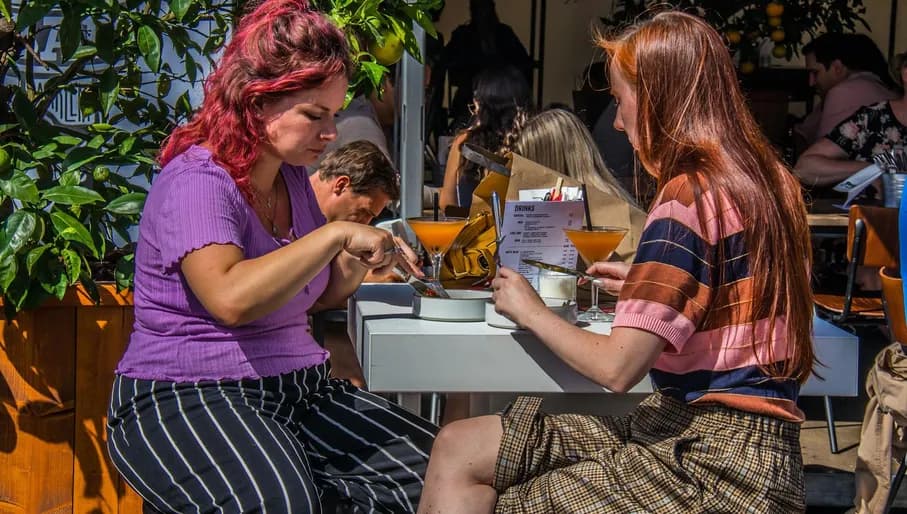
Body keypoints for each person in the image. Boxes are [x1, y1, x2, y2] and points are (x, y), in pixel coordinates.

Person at [418, 11, 815, 513]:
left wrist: (529, 308)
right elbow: (740, 296)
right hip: (745, 447)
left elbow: (617, 368)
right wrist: (647, 286)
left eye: (621, 100)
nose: (619, 122)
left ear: (658, 99)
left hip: (712, 463)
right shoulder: (773, 184)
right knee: (459, 445)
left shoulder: (688, 195)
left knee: (509, 499)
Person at [106, 1, 437, 511]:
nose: (331, 133)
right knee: (281, 503)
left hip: (298, 390)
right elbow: (231, 298)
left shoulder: (292, 181)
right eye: (314, 115)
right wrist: (334, 235)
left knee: (446, 471)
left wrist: (365, 253)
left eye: (334, 115)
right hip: (189, 393)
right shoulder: (199, 179)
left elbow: (316, 293)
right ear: (257, 100)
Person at [794, 52, 906, 188]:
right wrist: (871, 170)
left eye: (815, 73)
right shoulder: (873, 118)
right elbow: (804, 168)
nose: (812, 82)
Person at [438, 66, 530, 212]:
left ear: (483, 103)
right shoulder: (529, 141)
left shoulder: (464, 143)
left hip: (474, 224)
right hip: (520, 223)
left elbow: (446, 202)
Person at [793, 33, 898, 153]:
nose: (811, 82)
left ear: (837, 68)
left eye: (815, 73)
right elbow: (803, 131)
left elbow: (819, 154)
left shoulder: (844, 92)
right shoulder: (876, 85)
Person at [441, 0, 532, 131]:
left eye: (484, 8)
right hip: (470, 97)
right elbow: (449, 62)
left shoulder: (504, 34)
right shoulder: (463, 35)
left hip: (504, 98)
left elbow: (522, 62)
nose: (481, 13)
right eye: (477, 9)